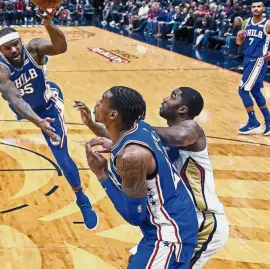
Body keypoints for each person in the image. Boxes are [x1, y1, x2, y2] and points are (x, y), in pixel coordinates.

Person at [0, 9, 99, 230]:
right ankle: (39, 120)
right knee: (21, 108)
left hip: (48, 103)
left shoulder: (33, 48)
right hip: (28, 109)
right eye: (7, 48)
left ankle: (82, 199)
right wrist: (37, 121)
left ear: (21, 41)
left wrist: (49, 25)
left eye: (15, 44)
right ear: (0, 50)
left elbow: (61, 47)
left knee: (60, 152)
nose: (13, 50)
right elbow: (16, 99)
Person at [77, 86, 198, 267]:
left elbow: (134, 216)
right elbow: (119, 140)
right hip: (172, 220)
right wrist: (92, 125)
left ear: (113, 115)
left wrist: (101, 174)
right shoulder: (140, 128)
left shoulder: (132, 157)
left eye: (102, 101)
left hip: (169, 232)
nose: (97, 103)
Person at [154, 87, 229, 268]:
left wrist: (139, 128)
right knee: (138, 261)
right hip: (179, 220)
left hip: (203, 221)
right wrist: (96, 126)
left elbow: (180, 137)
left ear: (182, 109)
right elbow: (124, 137)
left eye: (172, 97)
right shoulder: (165, 137)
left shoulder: (192, 129)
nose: (164, 98)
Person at [236, 0, 270, 135]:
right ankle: (268, 121)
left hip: (258, 60)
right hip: (247, 59)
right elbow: (239, 42)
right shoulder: (246, 22)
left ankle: (253, 121)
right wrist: (239, 37)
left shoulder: (267, 23)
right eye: (254, 6)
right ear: (251, 9)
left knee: (243, 90)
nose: (256, 9)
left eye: (259, 6)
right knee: (255, 91)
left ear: (263, 9)